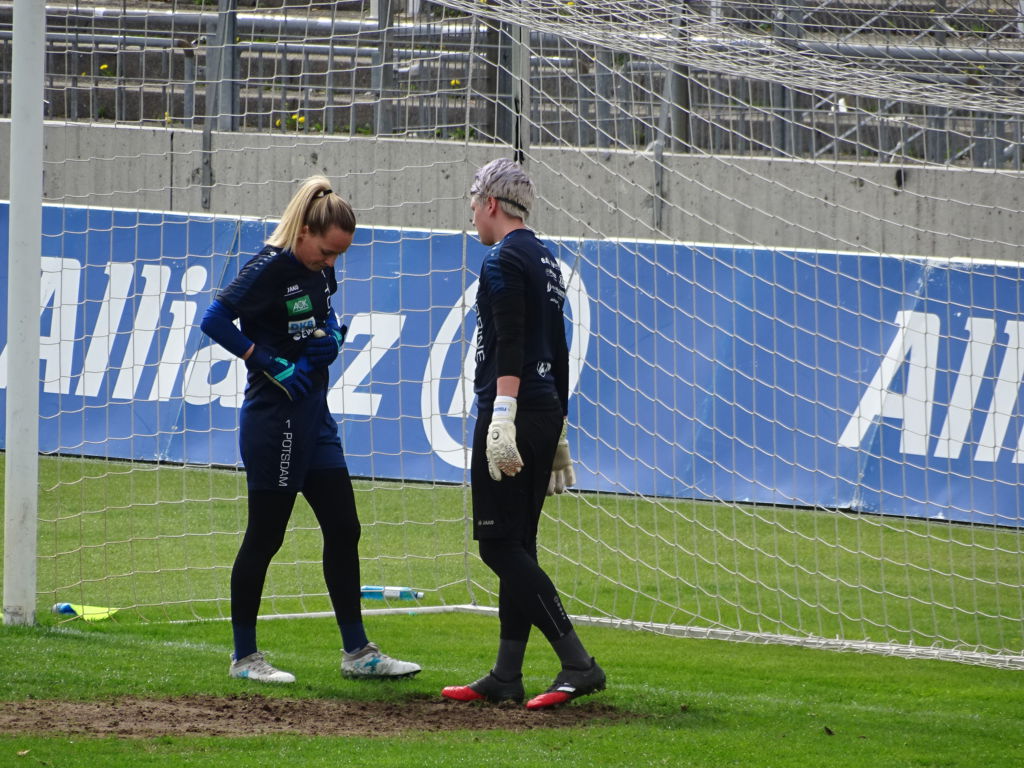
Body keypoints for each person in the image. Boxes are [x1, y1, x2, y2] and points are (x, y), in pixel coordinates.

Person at [200, 175, 420, 684]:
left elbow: (326, 318)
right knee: (266, 536)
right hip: (274, 421)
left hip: (314, 419)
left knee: (344, 528)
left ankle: (358, 653)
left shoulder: (319, 272)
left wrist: (334, 340)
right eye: (326, 252)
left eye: (339, 255)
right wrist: (264, 359)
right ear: (303, 231)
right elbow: (214, 319)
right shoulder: (267, 267)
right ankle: (244, 658)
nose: (331, 263)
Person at [441, 158, 605, 710]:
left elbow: (510, 340)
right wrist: (557, 429)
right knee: (520, 543)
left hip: (512, 411)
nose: (471, 213)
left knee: (497, 544)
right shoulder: (546, 259)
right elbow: (558, 347)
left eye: (473, 203)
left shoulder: (501, 258)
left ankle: (578, 662)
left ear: (490, 202)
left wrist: (503, 415)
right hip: (543, 411)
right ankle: (506, 674)